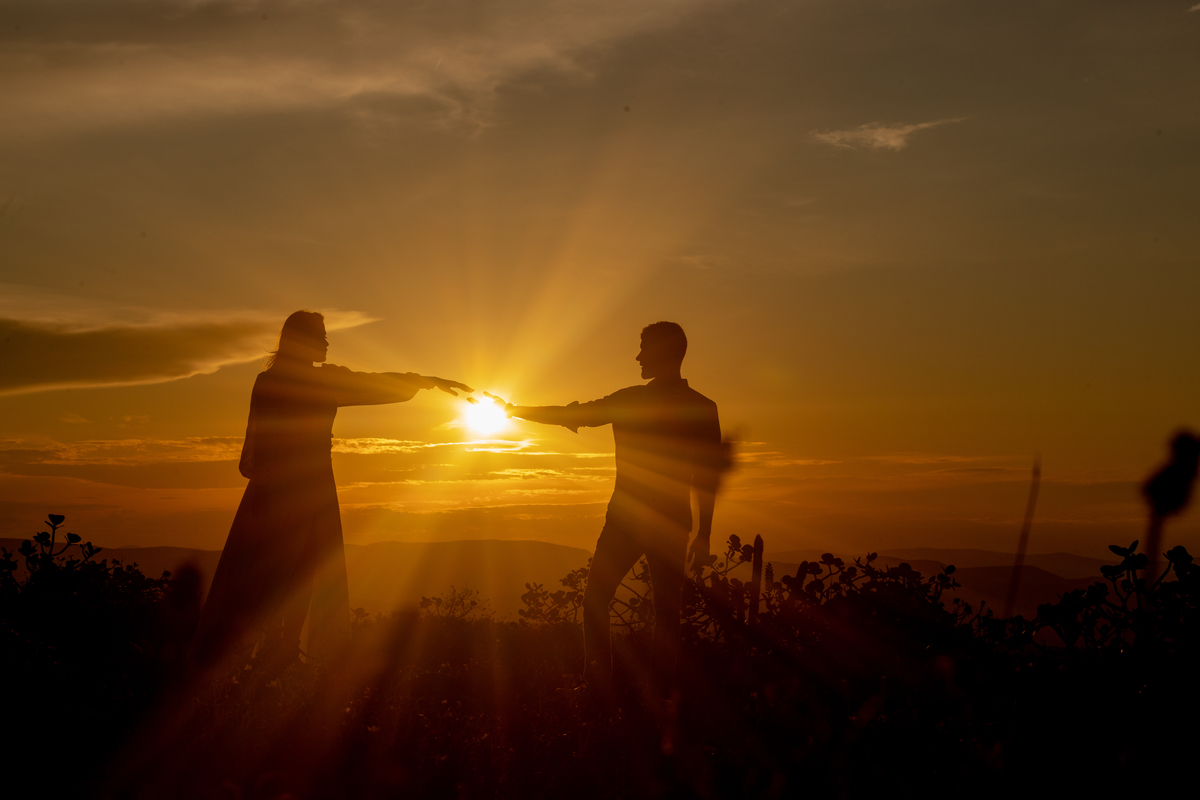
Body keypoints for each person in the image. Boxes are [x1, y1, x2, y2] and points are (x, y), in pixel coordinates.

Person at [189, 310, 472, 669]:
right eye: (320, 336)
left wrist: (423, 379)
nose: (326, 342)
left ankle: (278, 660)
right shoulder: (297, 381)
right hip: (286, 491)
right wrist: (422, 380)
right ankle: (250, 663)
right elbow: (263, 443)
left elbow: (372, 383)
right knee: (275, 578)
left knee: (303, 575)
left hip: (300, 489)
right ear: (301, 340)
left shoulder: (308, 380)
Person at [495, 321, 723, 691]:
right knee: (666, 612)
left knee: (600, 602)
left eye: (644, 348)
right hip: (667, 521)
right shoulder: (700, 406)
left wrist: (513, 409)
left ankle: (599, 686)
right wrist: (704, 534)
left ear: (663, 353)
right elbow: (707, 478)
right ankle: (658, 694)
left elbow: (575, 416)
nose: (637, 355)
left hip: (627, 519)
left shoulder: (634, 399)